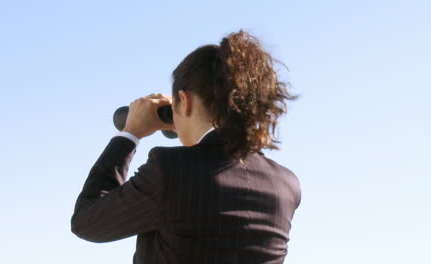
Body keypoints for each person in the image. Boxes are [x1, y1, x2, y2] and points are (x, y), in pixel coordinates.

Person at [71, 30, 301, 264]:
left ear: (185, 100)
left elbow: (86, 222)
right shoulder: (285, 186)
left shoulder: (169, 171)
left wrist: (129, 135)